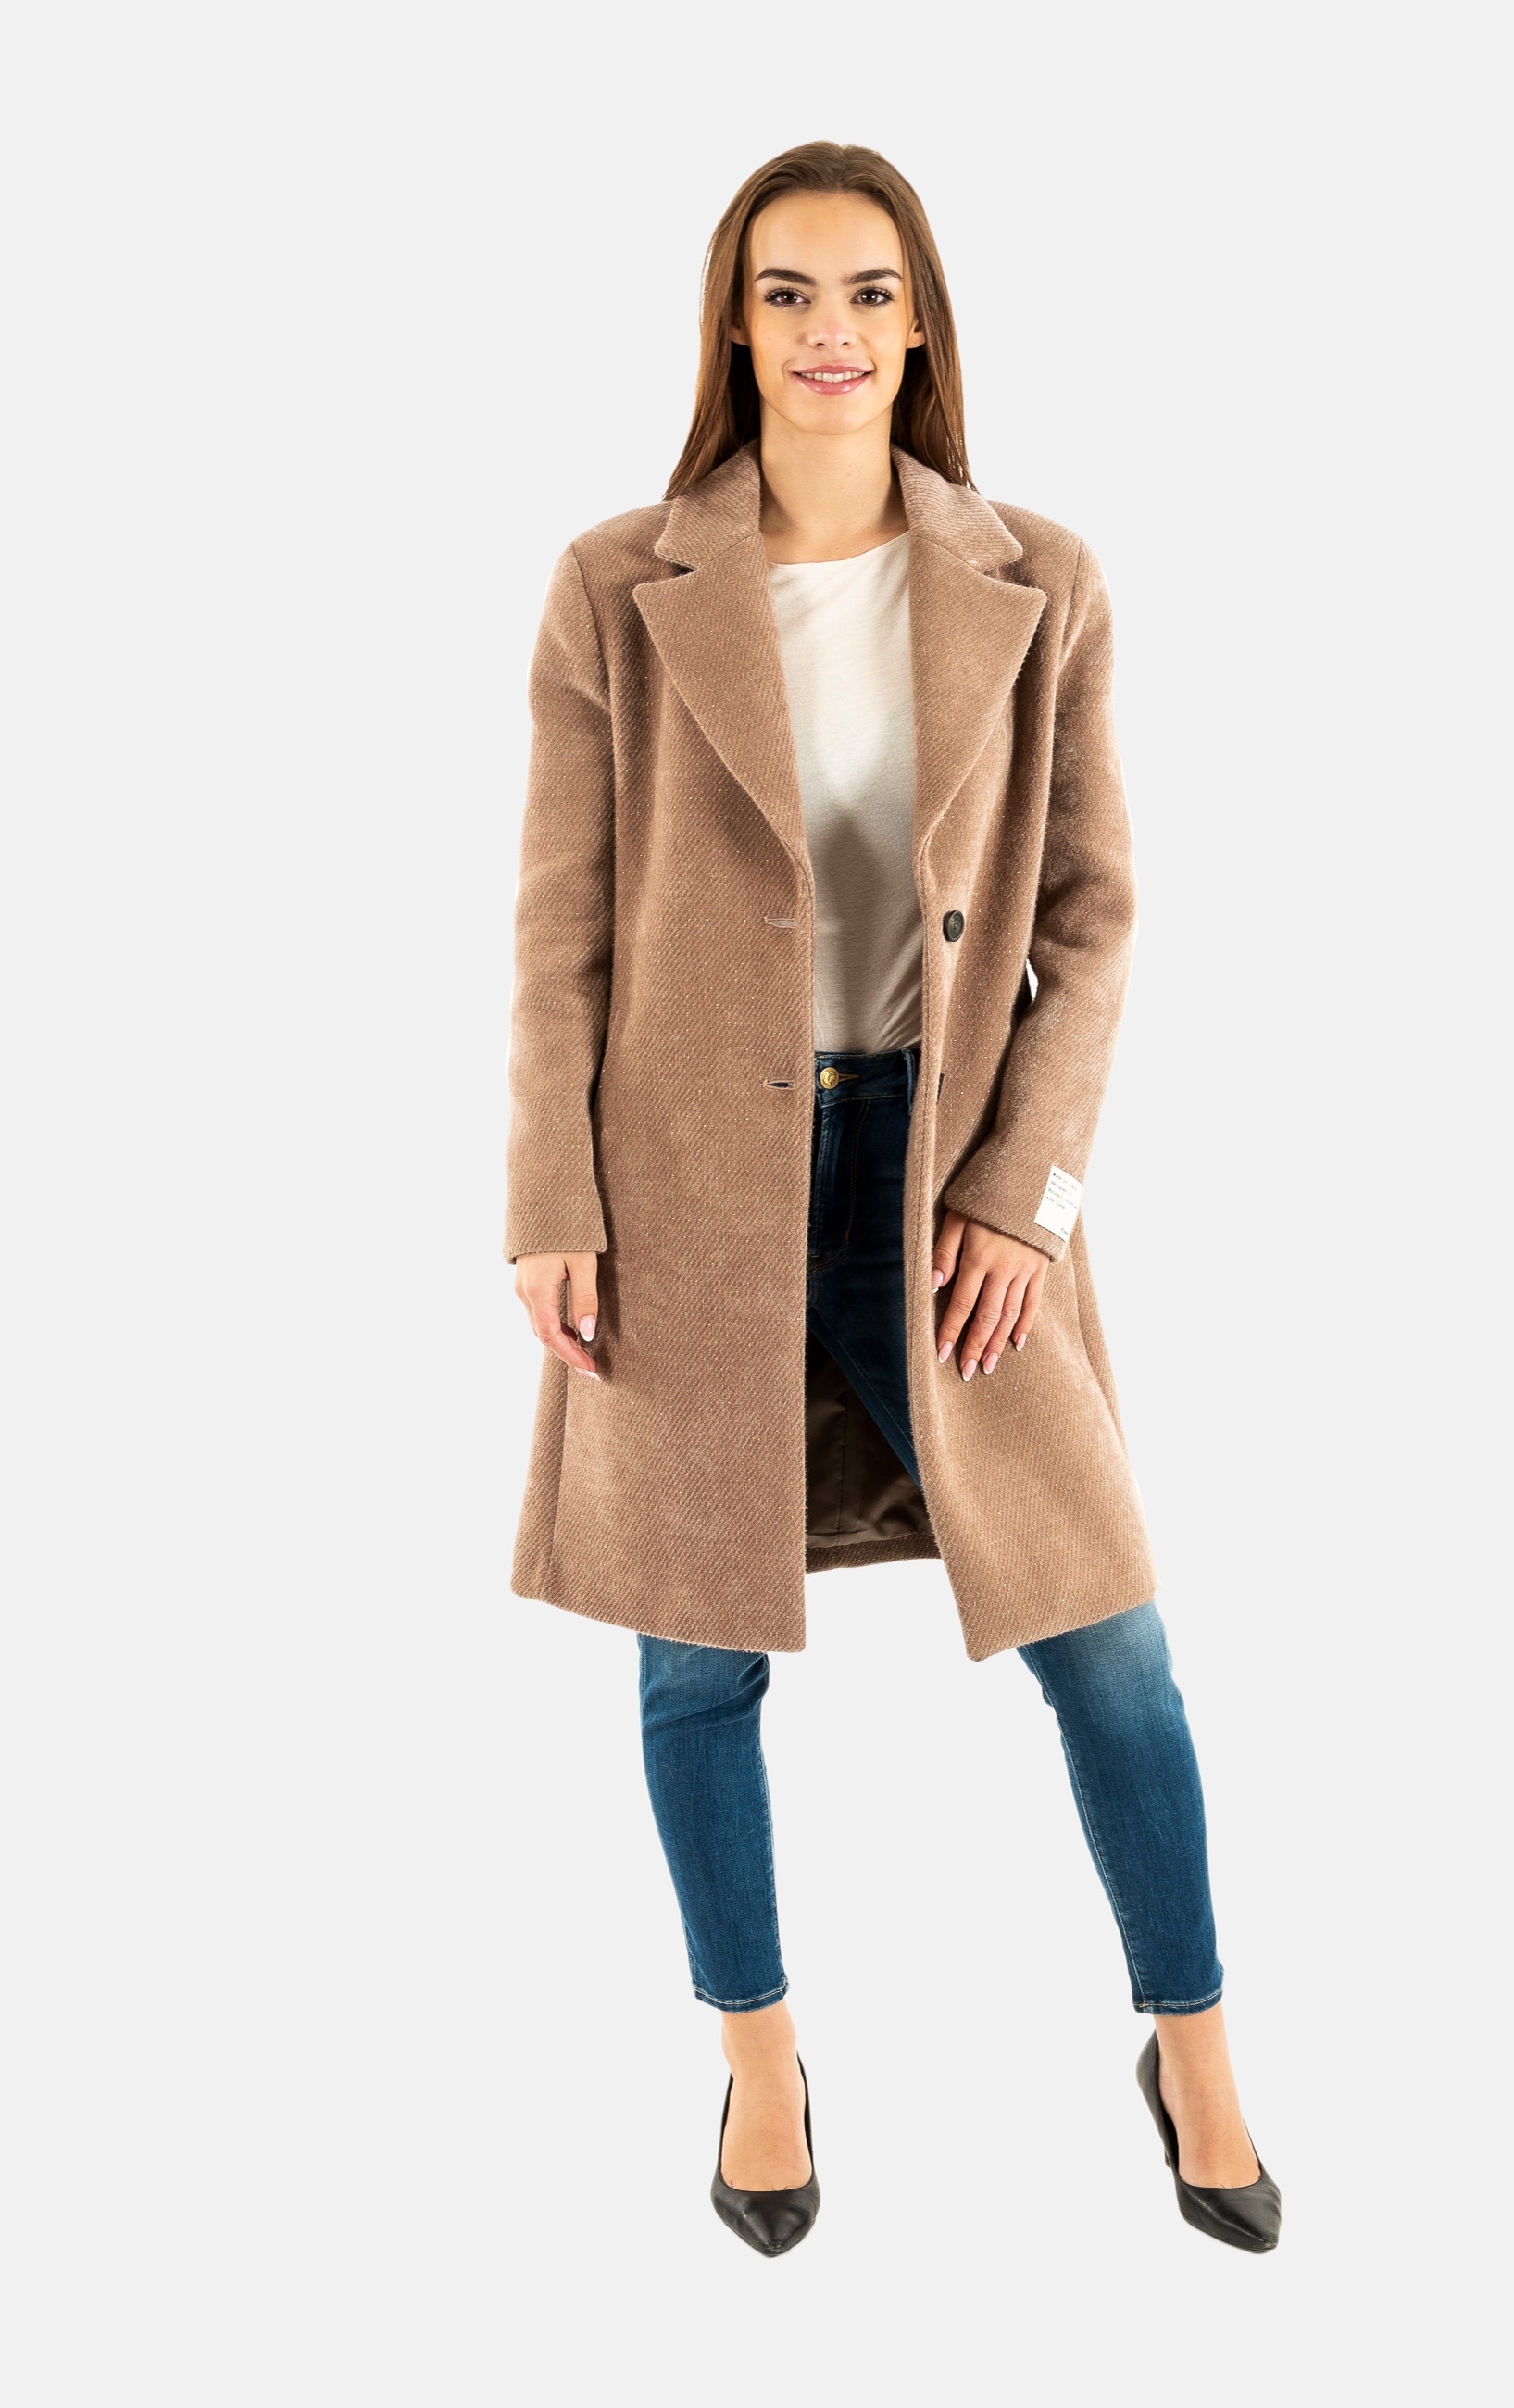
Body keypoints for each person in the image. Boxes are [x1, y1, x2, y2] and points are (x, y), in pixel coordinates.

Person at [505, 141, 1280, 2259]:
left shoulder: (1038, 574)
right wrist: (551, 1194)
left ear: (920, 321)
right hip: (688, 1185)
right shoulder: (617, 582)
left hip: (944, 1181)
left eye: (866, 291)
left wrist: (1026, 1196)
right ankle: (760, 2060)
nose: (828, 331)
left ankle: (1196, 2041)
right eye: (786, 293)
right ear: (732, 323)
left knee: (1109, 1639)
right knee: (694, 1661)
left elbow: (1096, 915)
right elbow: (560, 920)